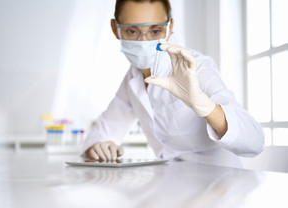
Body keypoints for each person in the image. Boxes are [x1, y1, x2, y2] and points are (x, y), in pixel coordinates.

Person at [81, 0, 264, 168]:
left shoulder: (196, 67)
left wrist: (202, 103)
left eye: (155, 31)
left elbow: (254, 141)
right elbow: (100, 135)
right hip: (171, 183)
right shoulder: (132, 78)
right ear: (115, 29)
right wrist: (99, 147)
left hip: (219, 183)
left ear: (170, 28)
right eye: (132, 31)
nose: (144, 41)